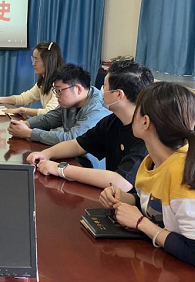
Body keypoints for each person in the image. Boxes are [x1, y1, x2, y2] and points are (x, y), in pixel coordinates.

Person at [99, 82, 195, 282]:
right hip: (171, 270)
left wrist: (140, 223)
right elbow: (157, 203)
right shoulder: (153, 160)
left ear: (145, 122)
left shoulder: (182, 172)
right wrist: (126, 199)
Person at [27, 60, 154, 191]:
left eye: (105, 87)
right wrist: (46, 154)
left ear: (118, 95)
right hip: (111, 196)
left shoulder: (147, 132)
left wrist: (60, 169)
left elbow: (122, 182)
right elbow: (78, 145)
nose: (101, 91)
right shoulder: (113, 121)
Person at [8, 64, 109, 156]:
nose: (56, 95)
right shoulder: (72, 101)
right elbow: (49, 119)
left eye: (59, 91)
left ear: (78, 89)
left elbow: (72, 140)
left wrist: (29, 133)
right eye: (55, 91)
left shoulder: (96, 109)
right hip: (71, 156)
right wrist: (26, 124)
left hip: (88, 163)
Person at [0, 41, 64, 116]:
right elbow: (23, 98)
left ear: (48, 61)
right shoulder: (43, 82)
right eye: (33, 59)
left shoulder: (60, 84)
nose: (33, 63)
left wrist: (22, 110)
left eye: (36, 60)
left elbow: (49, 112)